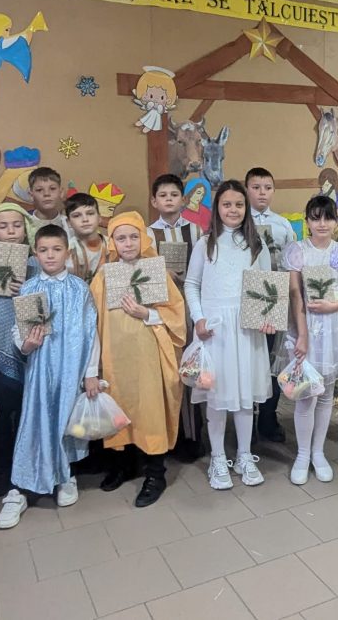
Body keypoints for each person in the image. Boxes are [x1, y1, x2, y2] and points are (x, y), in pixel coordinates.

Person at [0, 225, 99, 529]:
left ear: (67, 252)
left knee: (66, 420)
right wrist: (26, 345)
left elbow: (93, 333)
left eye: (56, 249)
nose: (50, 255)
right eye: (43, 250)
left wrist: (91, 372)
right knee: (37, 419)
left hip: (72, 369)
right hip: (41, 370)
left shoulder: (80, 289)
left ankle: (65, 476)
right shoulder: (29, 290)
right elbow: (20, 333)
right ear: (35, 253)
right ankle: (21, 486)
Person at [88, 212, 186, 507]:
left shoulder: (156, 271)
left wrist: (148, 314)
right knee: (120, 408)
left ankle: (156, 473)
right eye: (121, 237)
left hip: (148, 358)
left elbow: (177, 316)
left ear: (143, 237)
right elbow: (91, 322)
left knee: (150, 410)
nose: (128, 243)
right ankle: (123, 464)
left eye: (133, 236)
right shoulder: (104, 276)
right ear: (112, 241)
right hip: (116, 359)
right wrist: (94, 366)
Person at [184, 180, 274, 490]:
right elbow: (191, 284)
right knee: (217, 397)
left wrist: (266, 317)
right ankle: (219, 457)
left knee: (244, 398)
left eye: (238, 204)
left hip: (247, 330)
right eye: (227, 204)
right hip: (215, 331)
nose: (233, 209)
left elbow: (265, 286)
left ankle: (246, 455)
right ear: (217, 208)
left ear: (246, 208)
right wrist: (198, 318)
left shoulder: (255, 245)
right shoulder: (205, 243)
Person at [277, 195, 338, 485]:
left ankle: (318, 453)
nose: (322, 223)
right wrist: (301, 334)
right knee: (306, 394)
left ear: (336, 220)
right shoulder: (297, 251)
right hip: (306, 327)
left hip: (334, 326)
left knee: (326, 394)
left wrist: (332, 307)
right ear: (307, 221)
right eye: (315, 218)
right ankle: (302, 454)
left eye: (328, 217)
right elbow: (294, 294)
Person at [0, 203, 37, 497]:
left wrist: (30, 286)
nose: (11, 231)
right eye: (3, 226)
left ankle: (32, 469)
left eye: (16, 225)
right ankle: (5, 469)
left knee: (31, 413)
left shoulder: (37, 263)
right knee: (0, 415)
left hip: (32, 351)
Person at [148, 173, 205, 460]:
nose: (168, 199)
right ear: (154, 200)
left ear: (183, 199)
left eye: (174, 195)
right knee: (169, 372)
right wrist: (162, 272)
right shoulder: (147, 234)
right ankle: (169, 436)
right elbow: (142, 274)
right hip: (162, 314)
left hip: (192, 310)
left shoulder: (196, 231)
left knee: (192, 368)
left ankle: (194, 437)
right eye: (163, 195)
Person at [245, 167, 297, 443]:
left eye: (267, 187)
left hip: (277, 295)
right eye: (256, 187)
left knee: (272, 357)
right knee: (250, 356)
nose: (262, 192)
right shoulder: (237, 222)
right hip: (248, 295)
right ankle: (245, 419)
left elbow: (293, 260)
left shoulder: (282, 225)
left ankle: (268, 416)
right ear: (247, 190)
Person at [66, 192, 106, 282]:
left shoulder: (112, 245)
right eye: (76, 215)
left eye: (90, 213)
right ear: (68, 222)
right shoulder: (67, 251)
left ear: (99, 218)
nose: (85, 219)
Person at [28, 167, 72, 236]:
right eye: (39, 190)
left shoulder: (70, 225)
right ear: (31, 195)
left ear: (61, 192)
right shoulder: (24, 226)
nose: (46, 194)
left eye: (52, 188)